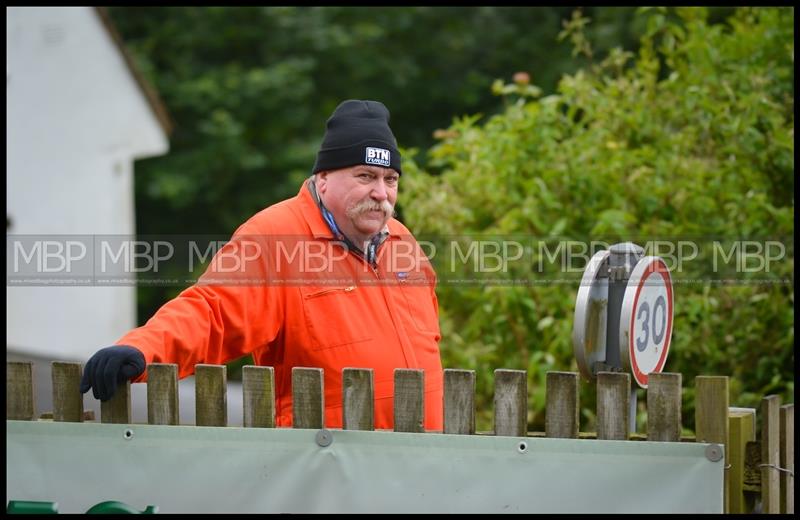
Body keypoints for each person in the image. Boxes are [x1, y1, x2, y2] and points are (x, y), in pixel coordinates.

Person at [79, 100, 444, 430]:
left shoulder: (404, 244)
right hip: (329, 465)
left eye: (390, 179)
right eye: (365, 176)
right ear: (324, 178)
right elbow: (212, 311)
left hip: (422, 465)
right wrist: (143, 349)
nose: (381, 193)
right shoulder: (276, 238)